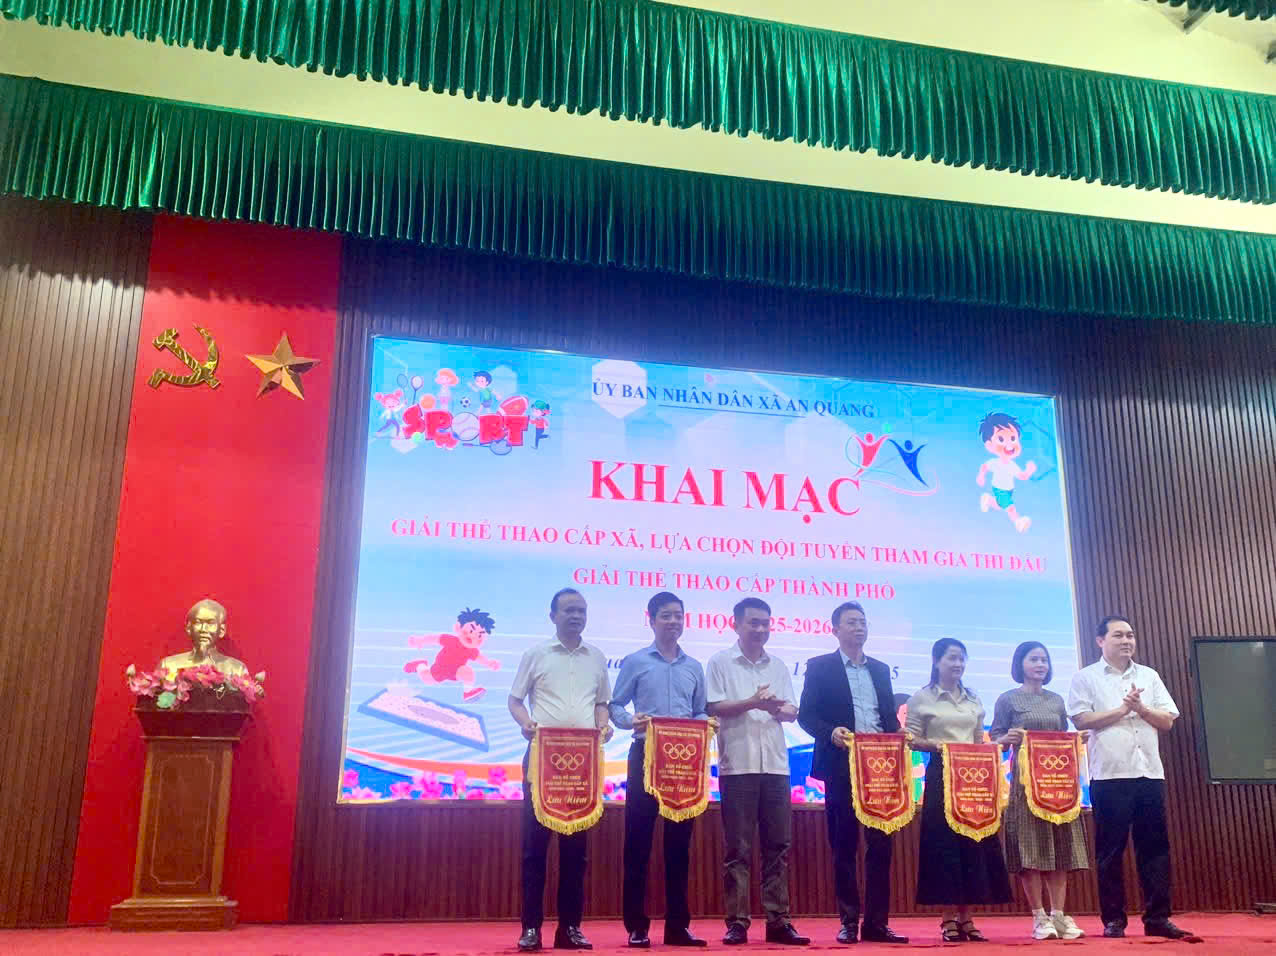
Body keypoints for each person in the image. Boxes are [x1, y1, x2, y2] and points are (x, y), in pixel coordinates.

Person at [1067, 616, 1194, 940]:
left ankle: (1158, 918)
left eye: (1130, 635)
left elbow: (1167, 721)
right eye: (1118, 635)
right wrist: (1123, 710)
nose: (1126, 641)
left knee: (1155, 849)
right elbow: (1081, 719)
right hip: (1110, 775)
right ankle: (1113, 920)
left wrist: (1141, 708)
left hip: (1149, 772)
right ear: (1100, 641)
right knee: (1110, 851)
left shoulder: (1148, 675)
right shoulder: (1086, 677)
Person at [797, 601, 909, 945]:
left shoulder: (880, 669)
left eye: (863, 622)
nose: (859, 627)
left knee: (881, 846)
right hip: (840, 764)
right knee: (844, 844)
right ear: (835, 629)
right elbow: (806, 715)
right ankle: (848, 921)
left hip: (880, 768)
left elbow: (886, 717)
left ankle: (877, 923)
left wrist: (899, 735)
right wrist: (829, 732)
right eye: (851, 622)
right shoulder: (820, 667)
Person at [507, 588, 613, 952]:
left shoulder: (596, 657)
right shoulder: (536, 654)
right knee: (534, 848)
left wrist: (604, 724)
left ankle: (570, 928)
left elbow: (601, 704)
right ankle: (531, 929)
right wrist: (525, 723)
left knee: (575, 852)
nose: (576, 616)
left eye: (581, 610)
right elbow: (515, 700)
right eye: (569, 610)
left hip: (582, 764)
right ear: (553, 616)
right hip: (542, 760)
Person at [609, 592, 713, 948]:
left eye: (678, 616)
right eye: (666, 616)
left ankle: (677, 927)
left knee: (679, 846)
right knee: (638, 841)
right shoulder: (636, 661)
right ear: (651, 620)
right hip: (646, 756)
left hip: (683, 763)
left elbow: (700, 710)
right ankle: (636, 926)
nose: (673, 622)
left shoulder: (693, 666)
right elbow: (616, 705)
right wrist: (630, 720)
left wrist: (704, 722)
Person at [706, 598, 809, 947]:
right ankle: (737, 922)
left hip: (776, 767)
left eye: (765, 623)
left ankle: (779, 920)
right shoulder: (720, 662)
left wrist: (777, 708)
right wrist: (753, 702)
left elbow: (791, 711)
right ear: (735, 624)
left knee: (778, 846)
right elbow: (714, 706)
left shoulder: (777, 665)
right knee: (738, 848)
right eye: (753, 622)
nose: (761, 629)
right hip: (738, 765)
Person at [906, 638, 1012, 942]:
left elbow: (978, 740)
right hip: (941, 773)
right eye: (952, 658)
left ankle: (967, 918)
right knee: (945, 844)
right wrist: (940, 746)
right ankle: (947, 919)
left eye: (962, 659)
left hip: (973, 777)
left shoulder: (973, 698)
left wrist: (996, 747)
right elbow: (910, 739)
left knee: (971, 842)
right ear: (936, 661)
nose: (958, 664)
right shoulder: (921, 698)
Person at [989, 642, 1089, 941]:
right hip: (1025, 785)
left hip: (1057, 784)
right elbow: (995, 740)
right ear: (1020, 664)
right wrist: (1006, 738)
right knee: (1030, 848)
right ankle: (1039, 916)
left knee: (1059, 848)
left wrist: (1077, 739)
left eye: (1044, 659)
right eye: (1034, 659)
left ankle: (1058, 915)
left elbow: (1060, 739)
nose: (1040, 664)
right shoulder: (1008, 700)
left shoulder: (1057, 701)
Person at [161, 598, 249, 677]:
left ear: (222, 630)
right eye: (198, 622)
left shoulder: (236, 669)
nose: (203, 629)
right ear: (189, 628)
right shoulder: (169, 666)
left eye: (210, 623)